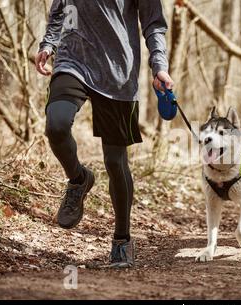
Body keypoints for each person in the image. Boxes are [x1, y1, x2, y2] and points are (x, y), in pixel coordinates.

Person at [35, 0, 174, 267]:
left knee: (114, 160)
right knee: (57, 124)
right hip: (73, 62)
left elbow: (153, 23)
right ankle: (79, 179)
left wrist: (159, 66)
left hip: (118, 73)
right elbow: (61, 8)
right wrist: (48, 44)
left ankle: (122, 240)